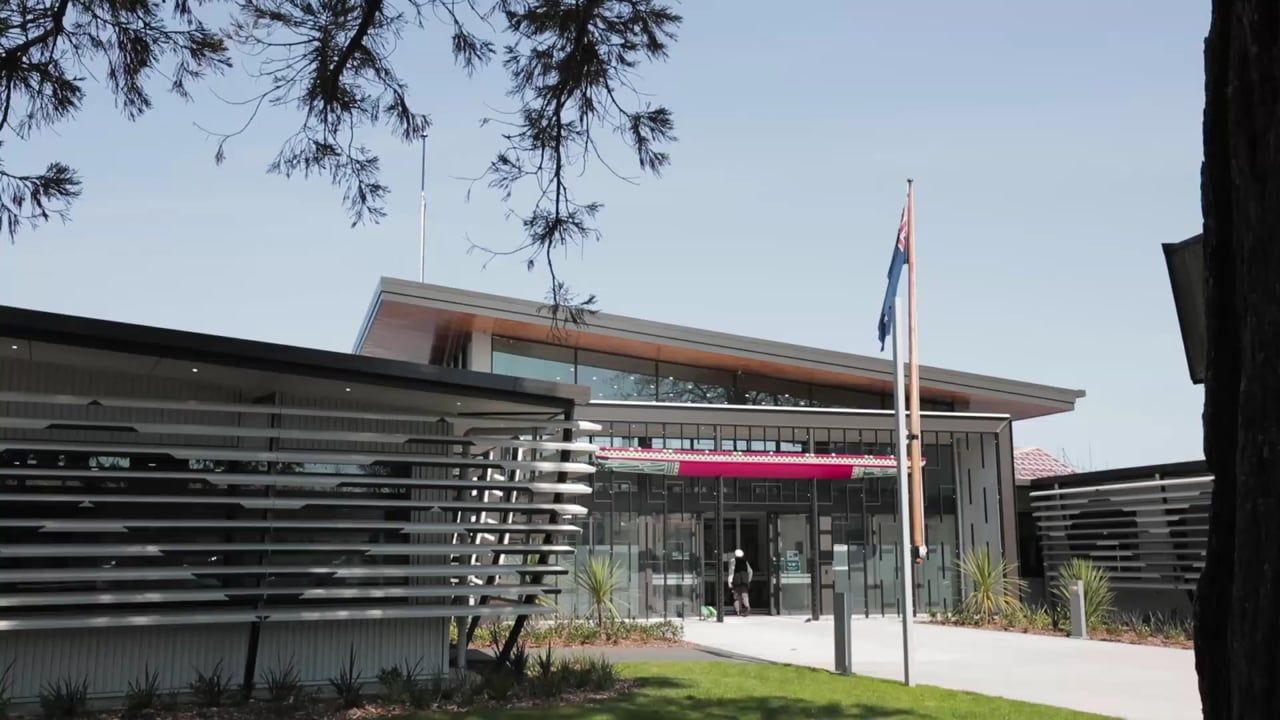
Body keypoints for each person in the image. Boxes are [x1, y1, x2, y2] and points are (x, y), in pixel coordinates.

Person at [728, 548, 753, 616]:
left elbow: (731, 572)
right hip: (744, 582)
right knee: (744, 595)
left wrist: (730, 582)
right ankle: (747, 608)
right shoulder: (745, 562)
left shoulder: (733, 561)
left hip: (736, 582)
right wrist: (748, 580)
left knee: (736, 596)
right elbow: (750, 571)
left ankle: (738, 611)